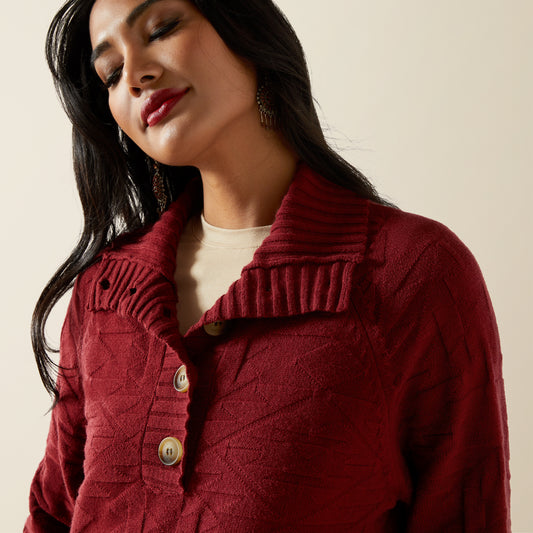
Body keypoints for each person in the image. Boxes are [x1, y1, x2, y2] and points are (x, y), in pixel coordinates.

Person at [25, 0, 511, 531]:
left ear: (244, 27)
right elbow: (51, 515)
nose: (136, 74)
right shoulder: (105, 292)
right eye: (112, 72)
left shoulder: (412, 274)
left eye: (161, 28)